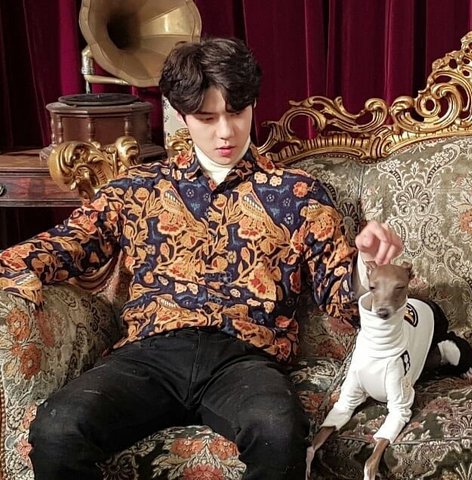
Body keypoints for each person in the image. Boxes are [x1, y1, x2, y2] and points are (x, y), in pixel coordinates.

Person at [0, 37, 403, 480]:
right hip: (148, 353)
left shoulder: (298, 193)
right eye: (207, 118)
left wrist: (367, 266)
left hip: (244, 358)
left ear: (253, 105)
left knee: (279, 433)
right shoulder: (135, 189)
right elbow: (68, 244)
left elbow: (340, 299)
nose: (225, 132)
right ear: (181, 114)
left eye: (236, 112)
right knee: (56, 430)